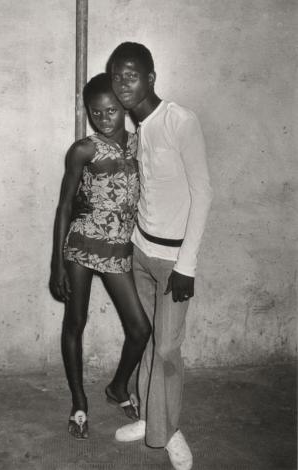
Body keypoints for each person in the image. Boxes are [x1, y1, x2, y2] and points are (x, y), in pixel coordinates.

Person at [107, 43, 213, 470]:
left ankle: (169, 431)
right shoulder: (136, 132)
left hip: (173, 263)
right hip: (141, 252)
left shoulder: (179, 121)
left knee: (167, 348)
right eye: (116, 76)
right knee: (150, 339)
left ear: (151, 77)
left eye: (130, 75)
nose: (122, 84)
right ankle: (152, 418)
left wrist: (186, 266)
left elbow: (203, 194)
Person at [50, 73, 151, 440]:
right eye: (96, 113)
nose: (104, 119)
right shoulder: (83, 149)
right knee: (75, 322)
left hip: (118, 250)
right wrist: (57, 263)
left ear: (123, 107)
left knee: (140, 329)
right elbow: (64, 207)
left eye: (111, 111)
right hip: (80, 247)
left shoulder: (141, 144)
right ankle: (79, 402)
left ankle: (117, 387)